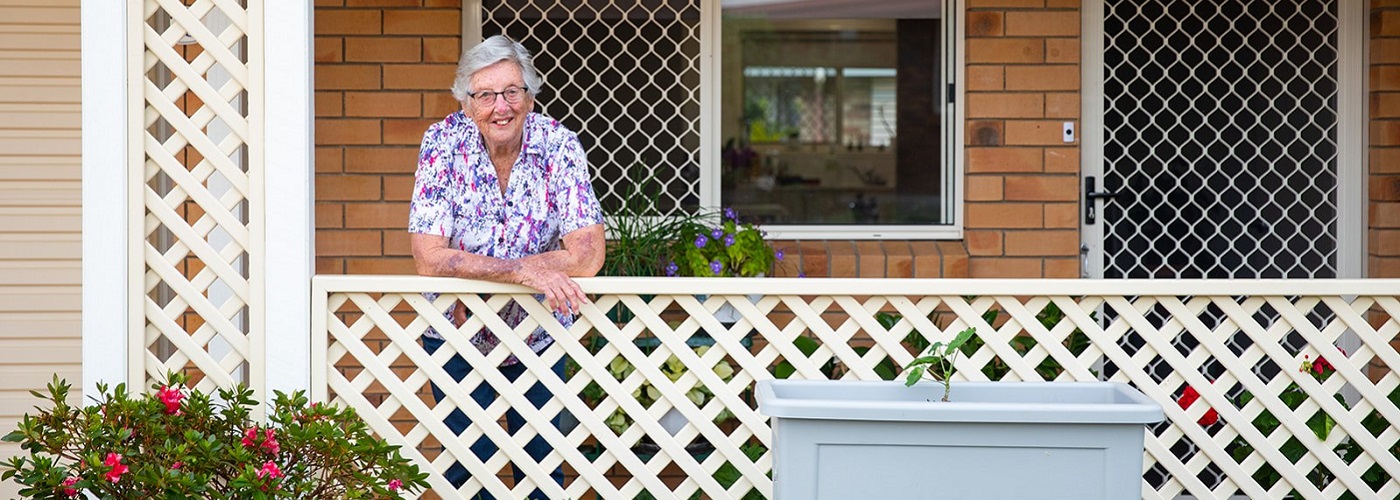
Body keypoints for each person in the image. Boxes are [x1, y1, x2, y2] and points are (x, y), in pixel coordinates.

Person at [408, 34, 605, 498]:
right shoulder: (442, 143)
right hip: (455, 336)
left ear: (530, 96)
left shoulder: (558, 143)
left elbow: (589, 254)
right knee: (465, 476)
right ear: (465, 101)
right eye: (486, 95)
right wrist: (521, 271)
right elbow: (428, 257)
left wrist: (510, 268)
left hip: (539, 336)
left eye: (513, 91)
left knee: (540, 476)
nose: (501, 106)